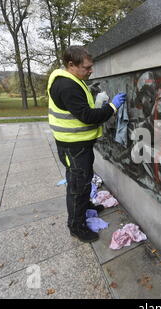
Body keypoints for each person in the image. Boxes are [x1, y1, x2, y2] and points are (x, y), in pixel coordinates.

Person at [47, 45, 126, 243]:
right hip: (73, 147)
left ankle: (85, 208)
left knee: (83, 180)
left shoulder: (73, 79)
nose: (91, 70)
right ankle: (76, 226)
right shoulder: (66, 86)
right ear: (71, 65)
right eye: (87, 67)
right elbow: (88, 116)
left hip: (78, 145)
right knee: (77, 186)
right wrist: (113, 106)